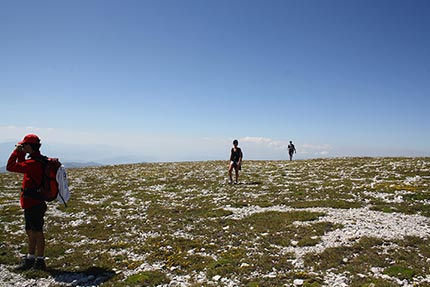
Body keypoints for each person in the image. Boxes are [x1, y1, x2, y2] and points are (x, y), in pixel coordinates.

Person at [6, 134, 48, 271]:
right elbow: (22, 165)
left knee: (37, 231)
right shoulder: (37, 161)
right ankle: (31, 259)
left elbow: (11, 166)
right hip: (33, 202)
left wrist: (16, 152)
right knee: (31, 231)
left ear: (29, 146)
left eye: (24, 145)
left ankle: (40, 261)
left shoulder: (33, 163)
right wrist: (22, 154)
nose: (23, 147)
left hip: (33, 203)